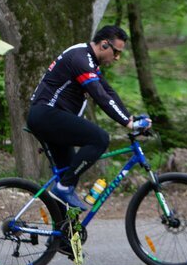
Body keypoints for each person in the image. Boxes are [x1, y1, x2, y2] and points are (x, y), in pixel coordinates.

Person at [27, 25, 152, 211]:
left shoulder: (89, 60)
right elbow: (99, 96)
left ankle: (61, 238)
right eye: (116, 52)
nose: (117, 58)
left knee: (68, 175)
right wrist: (127, 123)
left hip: (51, 118)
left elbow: (108, 92)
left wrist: (130, 117)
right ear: (104, 45)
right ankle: (63, 188)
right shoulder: (81, 59)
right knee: (99, 138)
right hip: (47, 114)